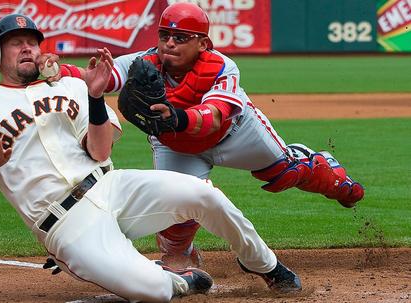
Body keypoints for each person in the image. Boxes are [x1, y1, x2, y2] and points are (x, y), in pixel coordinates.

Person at [0, 14, 302, 302]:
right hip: (64, 223)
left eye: (32, 41)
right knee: (151, 291)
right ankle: (175, 281)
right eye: (16, 42)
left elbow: (100, 151)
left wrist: (93, 97)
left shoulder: (70, 87)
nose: (27, 47)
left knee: (204, 194)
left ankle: (266, 266)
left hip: (111, 186)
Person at [58, 2, 365, 269]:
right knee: (178, 199)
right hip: (178, 147)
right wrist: (57, 71)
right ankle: (179, 256)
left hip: (237, 133)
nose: (170, 44)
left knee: (285, 172)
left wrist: (177, 117)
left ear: (202, 43)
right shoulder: (145, 62)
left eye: (181, 37)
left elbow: (215, 114)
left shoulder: (222, 67)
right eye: (165, 35)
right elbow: (98, 77)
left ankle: (326, 172)